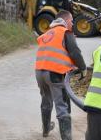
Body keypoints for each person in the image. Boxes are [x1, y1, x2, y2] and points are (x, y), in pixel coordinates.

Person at [35, 10, 87, 140]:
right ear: (66, 20)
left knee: (46, 100)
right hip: (54, 73)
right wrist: (83, 68)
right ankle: (66, 137)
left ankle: (46, 130)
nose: (73, 23)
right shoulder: (65, 32)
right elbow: (75, 52)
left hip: (39, 72)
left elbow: (57, 52)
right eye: (72, 21)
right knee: (62, 105)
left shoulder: (47, 33)